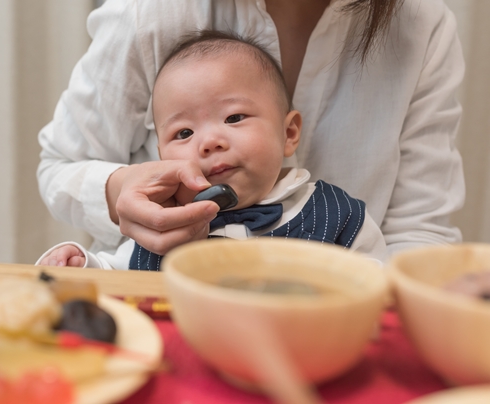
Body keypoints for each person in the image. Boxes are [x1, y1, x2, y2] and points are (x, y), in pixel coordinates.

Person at [37, 0, 464, 263]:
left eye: (235, 118)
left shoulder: (421, 25)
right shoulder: (153, 10)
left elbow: (414, 238)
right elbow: (62, 166)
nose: (209, 141)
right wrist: (118, 190)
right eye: (183, 133)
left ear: (289, 131)